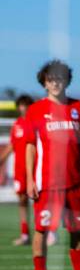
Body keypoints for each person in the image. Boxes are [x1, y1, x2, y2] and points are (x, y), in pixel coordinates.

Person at [24, 60, 80, 270]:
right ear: (44, 83)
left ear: (67, 80)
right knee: (42, 229)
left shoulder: (77, 107)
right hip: (47, 183)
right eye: (50, 79)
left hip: (74, 183)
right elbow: (30, 146)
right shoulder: (36, 110)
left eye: (59, 78)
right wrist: (29, 179)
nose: (55, 83)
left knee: (77, 231)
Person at [0, 95, 34, 245]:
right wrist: (1, 159)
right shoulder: (17, 125)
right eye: (21, 105)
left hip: (35, 167)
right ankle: (25, 234)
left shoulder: (37, 123)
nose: (24, 108)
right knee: (22, 200)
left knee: (42, 200)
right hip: (20, 169)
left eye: (26, 105)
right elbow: (12, 145)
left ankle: (50, 232)